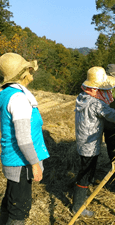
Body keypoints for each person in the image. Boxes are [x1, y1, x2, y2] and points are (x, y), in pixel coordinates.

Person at [73, 66, 115, 217]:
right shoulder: (96, 104)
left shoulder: (83, 97)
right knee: (86, 173)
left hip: (83, 140)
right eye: (103, 89)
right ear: (96, 89)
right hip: (90, 144)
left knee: (85, 170)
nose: (106, 92)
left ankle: (80, 198)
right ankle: (78, 207)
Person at [0, 53, 50, 225]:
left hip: (14, 160)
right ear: (22, 74)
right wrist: (35, 164)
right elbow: (23, 138)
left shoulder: (7, 93)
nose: (31, 73)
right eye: (29, 70)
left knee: (10, 202)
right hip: (21, 162)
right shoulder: (19, 99)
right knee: (19, 210)